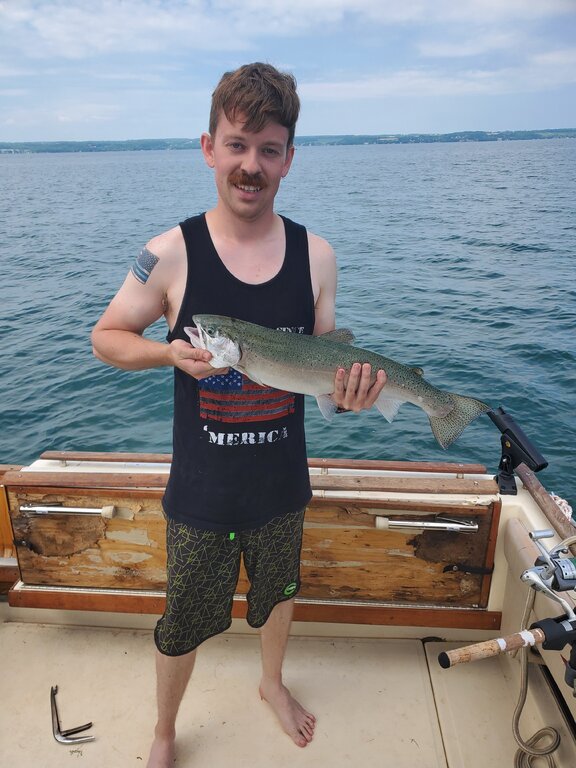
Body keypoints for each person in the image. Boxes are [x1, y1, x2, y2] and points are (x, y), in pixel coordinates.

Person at [91, 62, 386, 767]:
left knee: (279, 595)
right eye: (237, 144)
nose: (251, 165)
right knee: (183, 617)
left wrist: (351, 395)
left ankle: (271, 684)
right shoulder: (167, 253)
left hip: (282, 484)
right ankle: (166, 730)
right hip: (202, 490)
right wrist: (167, 355)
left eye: (269, 149)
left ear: (288, 158)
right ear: (209, 148)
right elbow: (106, 337)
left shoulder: (318, 256)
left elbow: (323, 368)